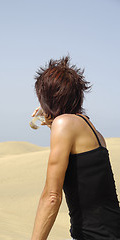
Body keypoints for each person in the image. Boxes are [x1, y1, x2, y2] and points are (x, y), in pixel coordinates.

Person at [30, 56, 120, 240]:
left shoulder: (64, 124)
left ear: (47, 98)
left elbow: (52, 197)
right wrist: (49, 119)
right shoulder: (92, 130)